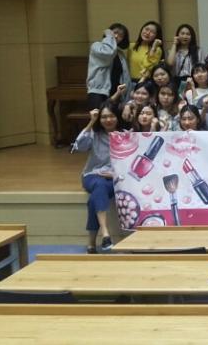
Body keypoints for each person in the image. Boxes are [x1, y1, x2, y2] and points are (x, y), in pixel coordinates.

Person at [72, 102, 121, 253]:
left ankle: (92, 243)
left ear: (117, 117)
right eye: (104, 117)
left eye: (111, 116)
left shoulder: (125, 135)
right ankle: (105, 232)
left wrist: (114, 175)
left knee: (94, 198)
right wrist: (91, 122)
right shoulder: (95, 134)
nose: (108, 120)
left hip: (114, 179)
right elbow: (78, 146)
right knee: (99, 185)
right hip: (92, 175)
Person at [86, 23, 131, 110]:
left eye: (121, 35)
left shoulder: (120, 54)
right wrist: (109, 36)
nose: (116, 36)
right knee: (98, 117)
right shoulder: (96, 46)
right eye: (114, 32)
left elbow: (125, 76)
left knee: (114, 118)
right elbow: (108, 53)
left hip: (116, 92)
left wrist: (126, 94)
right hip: (98, 91)